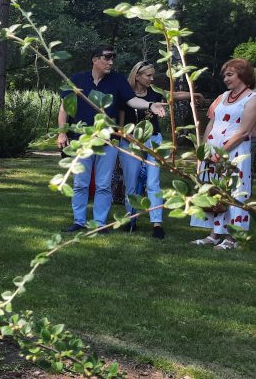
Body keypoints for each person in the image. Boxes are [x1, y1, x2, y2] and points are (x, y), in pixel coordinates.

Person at [56, 44, 167, 232]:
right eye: (107, 57)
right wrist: (62, 132)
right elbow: (64, 108)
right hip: (82, 139)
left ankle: (100, 223)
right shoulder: (78, 80)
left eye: (112, 58)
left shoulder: (117, 80)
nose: (110, 62)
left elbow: (131, 100)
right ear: (95, 59)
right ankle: (79, 221)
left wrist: (150, 105)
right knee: (80, 183)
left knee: (103, 184)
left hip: (107, 140)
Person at [119, 60, 202, 238]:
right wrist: (123, 137)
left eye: (152, 75)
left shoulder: (155, 93)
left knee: (152, 182)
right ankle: (130, 219)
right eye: (148, 75)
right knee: (131, 182)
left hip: (153, 140)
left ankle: (157, 224)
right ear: (137, 76)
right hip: (130, 141)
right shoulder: (125, 94)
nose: (152, 78)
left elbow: (173, 94)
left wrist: (193, 94)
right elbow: (120, 121)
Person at [189, 58, 255, 250]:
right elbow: (211, 122)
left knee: (234, 193)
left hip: (234, 153)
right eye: (224, 75)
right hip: (212, 152)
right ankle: (214, 234)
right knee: (215, 193)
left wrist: (220, 152)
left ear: (243, 75)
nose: (225, 79)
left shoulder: (252, 98)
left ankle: (233, 237)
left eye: (230, 74)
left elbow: (243, 132)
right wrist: (205, 149)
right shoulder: (222, 96)